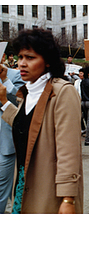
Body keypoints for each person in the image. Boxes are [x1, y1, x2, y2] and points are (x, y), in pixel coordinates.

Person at [0, 28, 83, 213]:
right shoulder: (27, 91)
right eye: (20, 57)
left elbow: (68, 150)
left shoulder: (62, 91)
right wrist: (4, 101)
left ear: (47, 62)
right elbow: (29, 127)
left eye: (30, 58)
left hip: (48, 189)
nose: (21, 63)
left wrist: (68, 199)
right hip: (22, 182)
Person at [0, 64, 25, 213]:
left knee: (3, 188)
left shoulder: (15, 75)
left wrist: (5, 80)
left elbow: (21, 100)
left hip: (5, 141)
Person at [74, 68, 86, 135]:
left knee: (86, 115)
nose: (80, 75)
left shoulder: (86, 81)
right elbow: (75, 90)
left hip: (85, 99)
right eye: (79, 73)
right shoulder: (77, 81)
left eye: (81, 73)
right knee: (80, 115)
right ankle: (82, 128)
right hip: (78, 100)